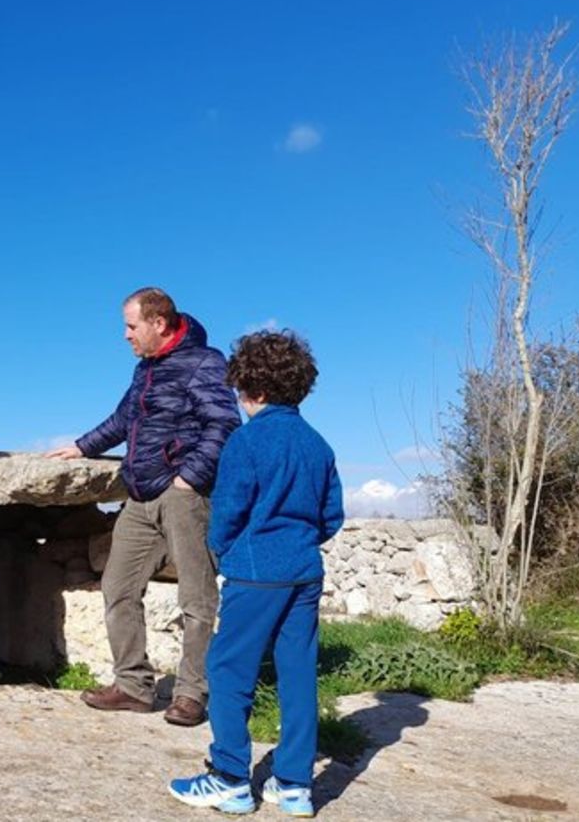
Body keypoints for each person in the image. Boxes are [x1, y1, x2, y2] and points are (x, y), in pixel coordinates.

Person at [168, 329, 344, 817]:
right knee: (297, 674)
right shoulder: (318, 445)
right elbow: (331, 516)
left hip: (254, 573)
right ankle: (294, 786)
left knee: (227, 670)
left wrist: (228, 553)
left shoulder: (246, 441)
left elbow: (226, 513)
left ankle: (228, 778)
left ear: (254, 390)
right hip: (305, 573)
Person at [48, 288, 240, 727]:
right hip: (140, 496)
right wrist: (81, 447)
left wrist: (189, 477)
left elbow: (224, 424)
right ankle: (134, 687)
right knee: (117, 586)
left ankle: (192, 694)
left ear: (159, 323)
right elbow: (122, 421)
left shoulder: (204, 363)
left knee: (197, 597)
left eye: (131, 326)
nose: (125, 335)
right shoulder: (145, 370)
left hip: (184, 497)